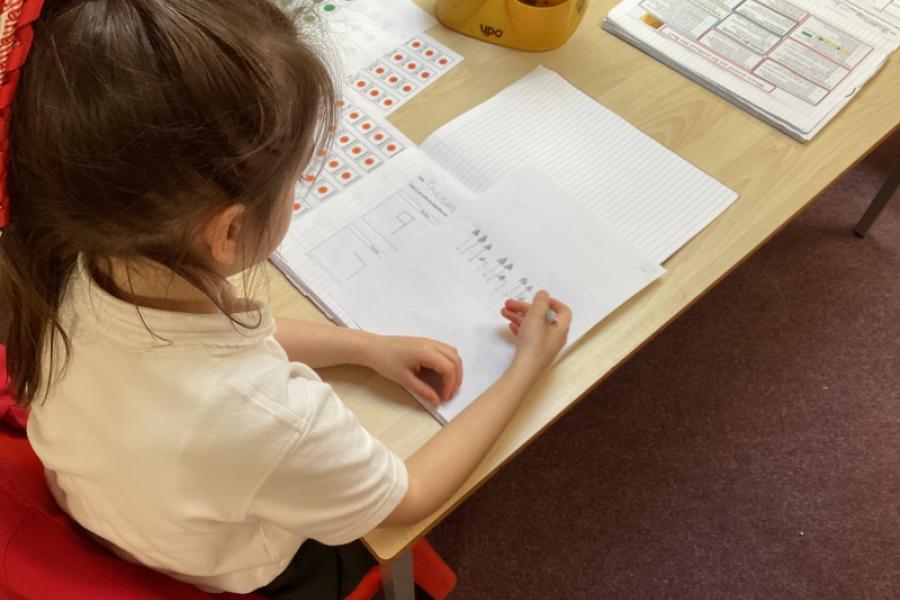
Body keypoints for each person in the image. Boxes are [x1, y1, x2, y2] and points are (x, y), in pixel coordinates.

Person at [0, 0, 572, 597]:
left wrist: (364, 348)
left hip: (111, 508)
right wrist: (527, 366)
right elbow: (409, 497)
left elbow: (221, 345)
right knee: (376, 552)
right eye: (293, 181)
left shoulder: (77, 262)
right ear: (227, 232)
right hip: (225, 570)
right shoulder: (275, 420)